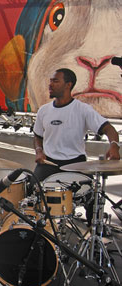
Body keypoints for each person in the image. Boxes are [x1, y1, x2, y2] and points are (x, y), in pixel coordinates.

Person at [33, 68, 120, 223]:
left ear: (68, 85)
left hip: (76, 162)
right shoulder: (44, 111)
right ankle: (32, 231)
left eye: (55, 81)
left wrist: (114, 145)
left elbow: (109, 129)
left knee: (93, 197)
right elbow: (37, 136)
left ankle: (94, 235)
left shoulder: (82, 109)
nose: (50, 84)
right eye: (51, 80)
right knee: (31, 192)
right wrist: (39, 151)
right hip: (48, 162)